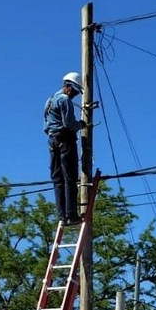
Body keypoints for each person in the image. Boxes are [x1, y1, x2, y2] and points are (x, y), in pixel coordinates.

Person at [43, 71, 86, 225]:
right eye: (74, 91)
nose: (74, 95)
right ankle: (71, 215)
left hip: (52, 141)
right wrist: (81, 124)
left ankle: (62, 216)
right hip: (65, 142)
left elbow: (46, 126)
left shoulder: (50, 100)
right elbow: (69, 124)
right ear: (68, 86)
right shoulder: (65, 100)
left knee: (57, 180)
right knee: (70, 179)